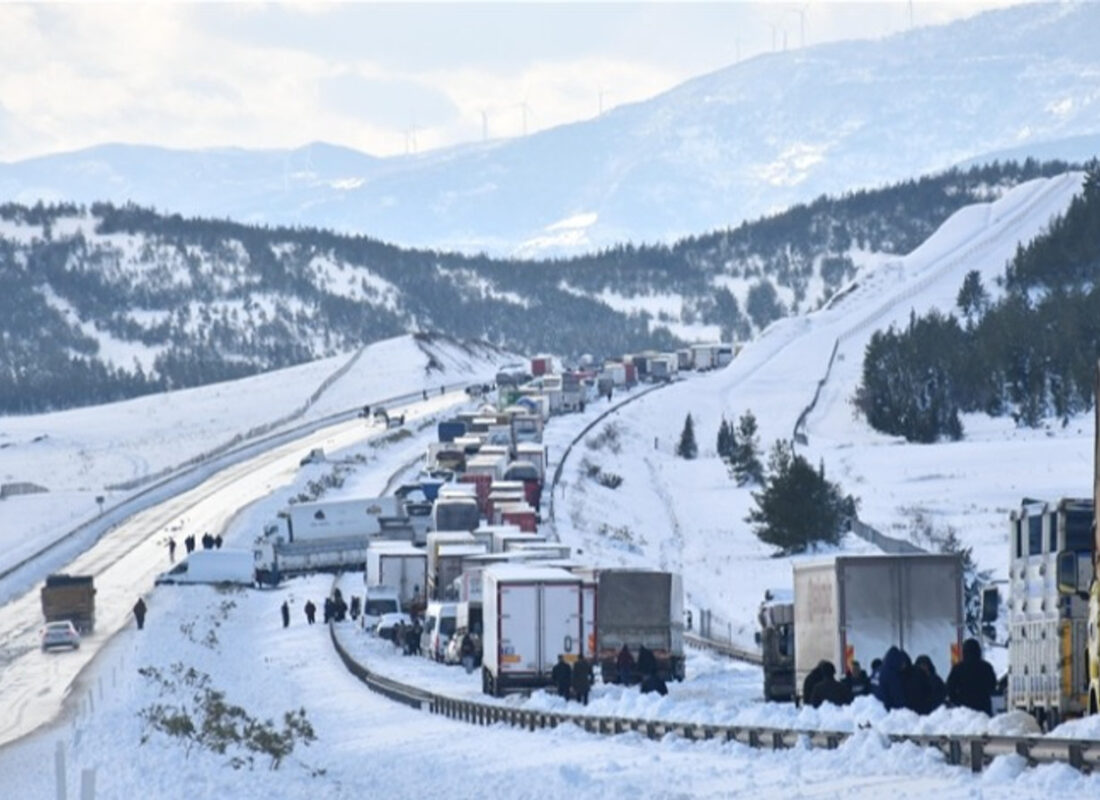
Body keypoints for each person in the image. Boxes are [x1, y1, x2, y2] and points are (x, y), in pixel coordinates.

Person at [946, 638, 997, 715]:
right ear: (978, 651)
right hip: (983, 708)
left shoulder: (958, 668)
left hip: (964, 710)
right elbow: (993, 685)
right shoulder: (986, 667)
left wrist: (957, 701)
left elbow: (950, 688)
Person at [874, 646, 911, 711]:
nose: (904, 666)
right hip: (887, 710)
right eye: (903, 663)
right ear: (897, 660)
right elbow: (897, 696)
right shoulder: (892, 675)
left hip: (875, 707)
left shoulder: (878, 670)